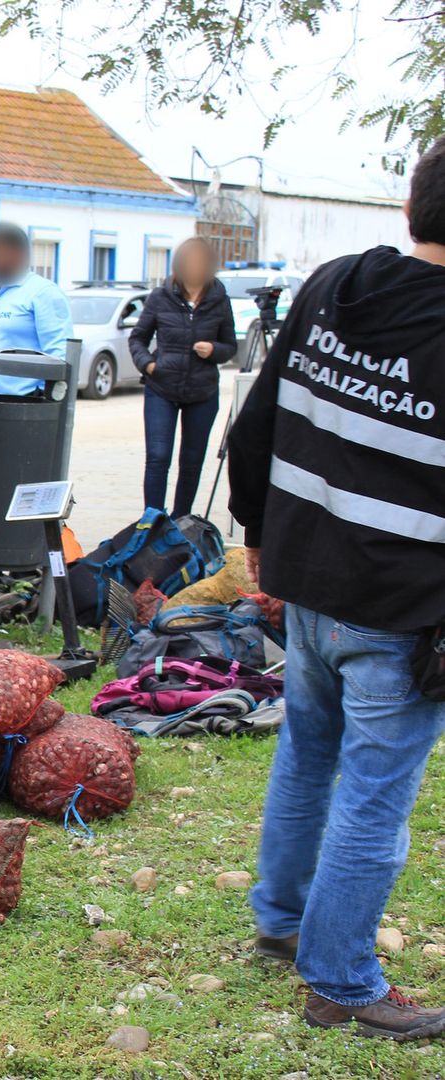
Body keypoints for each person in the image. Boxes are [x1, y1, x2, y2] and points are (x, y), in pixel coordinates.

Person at [228, 140, 445, 1042]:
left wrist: (255, 538)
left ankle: (282, 917)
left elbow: (257, 423)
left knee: (309, 754)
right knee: (373, 793)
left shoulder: (331, 285)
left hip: (308, 584)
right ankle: (343, 979)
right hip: (402, 616)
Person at [128, 237, 236, 516]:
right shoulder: (160, 296)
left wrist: (213, 350)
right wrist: (149, 365)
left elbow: (230, 347)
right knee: (158, 457)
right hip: (161, 388)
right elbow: (138, 338)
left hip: (202, 393)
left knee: (191, 462)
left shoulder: (219, 299)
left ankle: (180, 522)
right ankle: (151, 523)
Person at [0, 222, 73, 397]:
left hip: (28, 405)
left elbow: (60, 355)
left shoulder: (42, 293)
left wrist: (43, 397)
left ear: (18, 253)